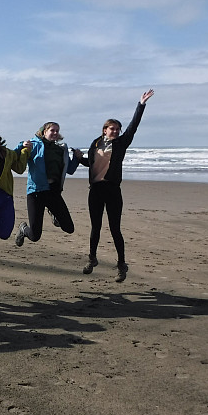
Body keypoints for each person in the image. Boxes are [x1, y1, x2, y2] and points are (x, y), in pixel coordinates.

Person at [72, 89, 155, 282]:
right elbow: (92, 164)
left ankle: (121, 265)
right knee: (96, 227)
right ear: (105, 130)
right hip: (96, 191)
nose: (116, 131)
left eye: (118, 129)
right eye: (113, 128)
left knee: (115, 228)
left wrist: (140, 105)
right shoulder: (95, 144)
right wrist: (79, 158)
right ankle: (92, 259)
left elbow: (134, 126)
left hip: (113, 191)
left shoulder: (121, 143)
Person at [13, 122, 79, 246]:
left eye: (57, 131)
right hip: (36, 192)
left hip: (53, 192)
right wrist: (22, 145)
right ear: (44, 132)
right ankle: (23, 229)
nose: (55, 133)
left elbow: (69, 169)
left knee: (69, 228)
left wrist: (76, 158)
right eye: (52, 130)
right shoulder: (34, 145)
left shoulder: (61, 149)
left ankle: (52, 211)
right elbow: (14, 155)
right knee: (34, 236)